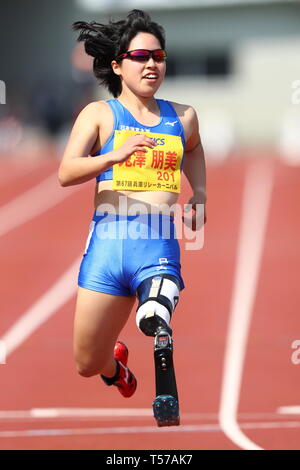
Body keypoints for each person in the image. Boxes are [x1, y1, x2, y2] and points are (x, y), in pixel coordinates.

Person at [58, 10, 206, 403]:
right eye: (140, 57)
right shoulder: (99, 115)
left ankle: (157, 310)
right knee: (86, 363)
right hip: (107, 244)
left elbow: (193, 148)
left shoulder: (183, 117)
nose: (152, 64)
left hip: (155, 241)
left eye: (158, 56)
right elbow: (67, 172)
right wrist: (113, 156)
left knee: (154, 313)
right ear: (118, 65)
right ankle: (116, 367)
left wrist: (201, 193)